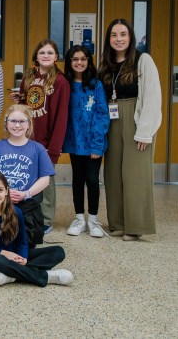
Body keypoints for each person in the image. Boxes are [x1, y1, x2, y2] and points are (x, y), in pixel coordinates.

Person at [98, 19, 161, 241]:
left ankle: (136, 227)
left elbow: (153, 98)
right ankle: (118, 223)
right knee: (113, 173)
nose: (118, 39)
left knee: (135, 175)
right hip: (111, 120)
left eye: (123, 34)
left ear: (131, 37)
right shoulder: (105, 64)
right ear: (109, 39)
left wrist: (145, 131)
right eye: (114, 35)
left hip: (136, 119)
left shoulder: (143, 60)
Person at [0, 171, 73, 287]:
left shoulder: (15, 212)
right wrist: (5, 253)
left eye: (0, 190)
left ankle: (11, 275)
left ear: (6, 191)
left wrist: (23, 258)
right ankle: (45, 276)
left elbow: (22, 242)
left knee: (58, 252)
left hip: (15, 255)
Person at [11, 39, 69, 234]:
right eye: (42, 52)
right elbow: (25, 105)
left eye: (50, 53)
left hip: (46, 140)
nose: (46, 56)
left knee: (47, 179)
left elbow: (61, 116)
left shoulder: (60, 81)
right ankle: (28, 215)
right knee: (27, 177)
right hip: (27, 136)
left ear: (56, 57)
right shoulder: (29, 77)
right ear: (36, 56)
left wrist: (54, 148)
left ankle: (46, 219)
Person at [62, 45, 110, 238]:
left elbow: (102, 114)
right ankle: (79, 218)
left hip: (93, 144)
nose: (79, 62)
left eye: (83, 59)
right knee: (77, 179)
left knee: (92, 179)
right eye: (75, 59)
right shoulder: (65, 84)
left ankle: (94, 220)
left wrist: (97, 144)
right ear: (69, 62)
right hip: (75, 142)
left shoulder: (96, 85)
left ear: (89, 61)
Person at [0, 104, 55, 247]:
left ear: (29, 124)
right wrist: (4, 194)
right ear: (6, 123)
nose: (17, 125)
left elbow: (45, 178)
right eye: (13, 121)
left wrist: (26, 193)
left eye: (22, 121)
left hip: (28, 207)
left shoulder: (37, 148)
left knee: (26, 246)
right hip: (1, 205)